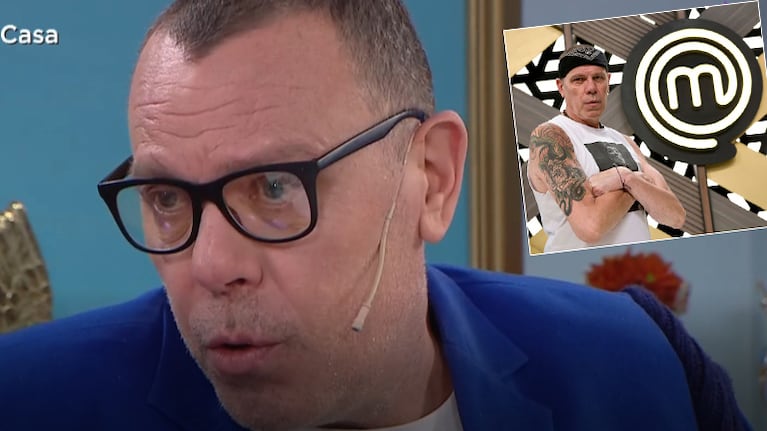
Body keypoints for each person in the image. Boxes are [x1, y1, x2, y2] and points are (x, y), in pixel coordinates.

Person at [0, 2, 749, 430]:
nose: (211, 266)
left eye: (273, 187)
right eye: (167, 198)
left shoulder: (639, 361)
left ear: (431, 179)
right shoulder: (29, 400)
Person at [527, 44, 686, 253]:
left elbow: (675, 216)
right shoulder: (551, 137)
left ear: (608, 82)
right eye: (579, 80)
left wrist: (627, 178)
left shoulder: (624, 141)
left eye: (598, 78)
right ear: (561, 87)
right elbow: (591, 227)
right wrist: (640, 186)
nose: (591, 88)